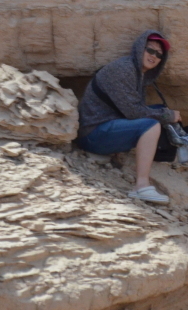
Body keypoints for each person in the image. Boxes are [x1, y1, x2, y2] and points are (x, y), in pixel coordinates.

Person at [75, 30, 181, 204]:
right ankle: (141, 186)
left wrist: (164, 113)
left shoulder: (138, 74)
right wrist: (167, 115)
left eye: (159, 54)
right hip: (93, 135)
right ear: (140, 48)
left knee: (159, 111)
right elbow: (133, 112)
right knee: (151, 125)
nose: (154, 56)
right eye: (150, 50)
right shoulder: (124, 69)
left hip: (106, 127)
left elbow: (136, 109)